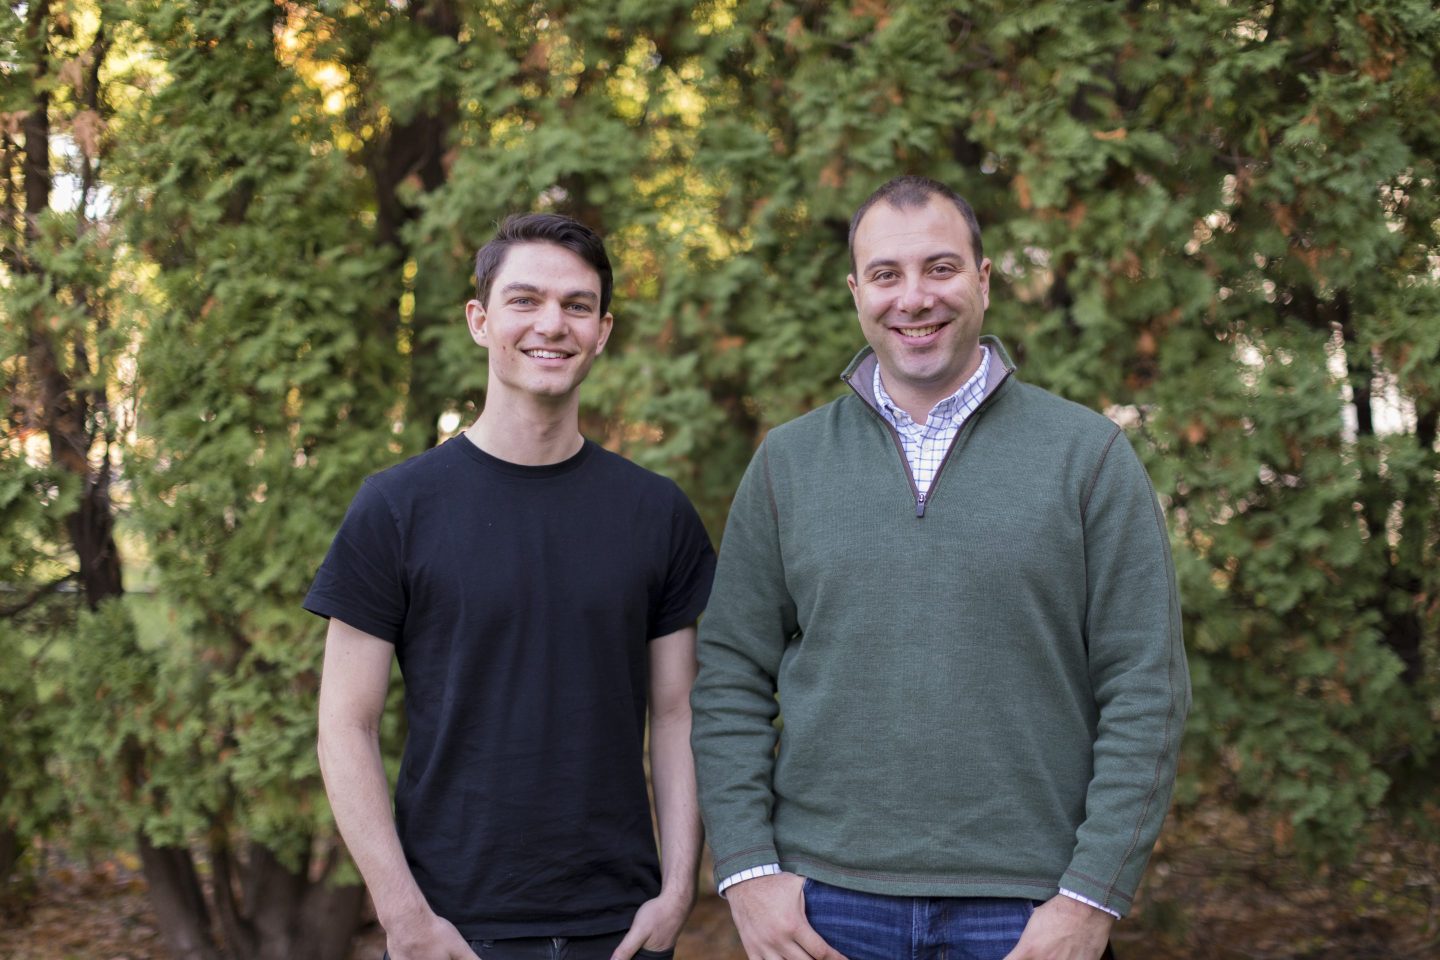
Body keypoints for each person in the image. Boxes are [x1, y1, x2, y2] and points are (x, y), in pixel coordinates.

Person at [691, 175, 1190, 960]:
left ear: (984, 281)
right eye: (886, 275)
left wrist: (1093, 895)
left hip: (1028, 908)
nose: (913, 297)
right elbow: (727, 675)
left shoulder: (1087, 456)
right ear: (856, 291)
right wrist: (748, 870)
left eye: (941, 268)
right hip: (826, 906)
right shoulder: (788, 464)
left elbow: (1146, 687)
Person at [309, 213, 715, 960]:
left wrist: (677, 892)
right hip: (455, 928)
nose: (552, 324)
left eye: (577, 305)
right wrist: (404, 916)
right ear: (480, 319)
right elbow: (345, 724)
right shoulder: (396, 508)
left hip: (620, 929)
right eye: (525, 300)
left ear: (603, 331)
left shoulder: (657, 514)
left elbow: (679, 713)